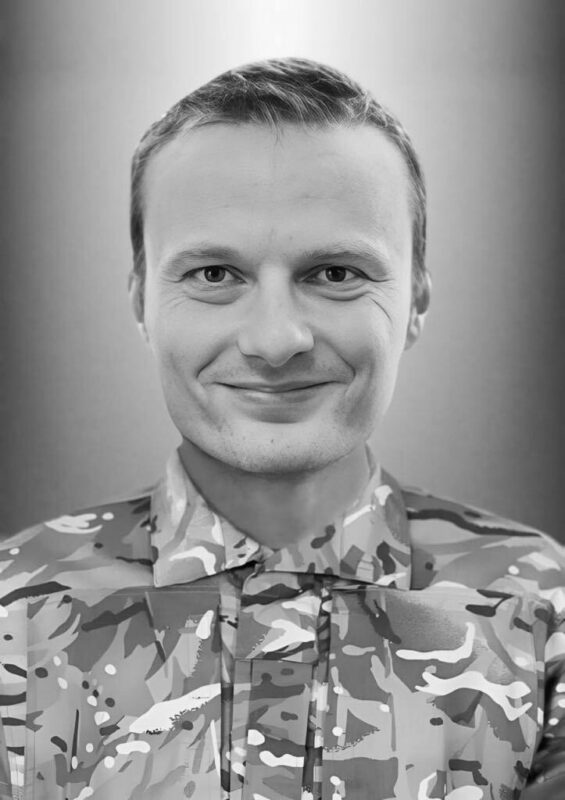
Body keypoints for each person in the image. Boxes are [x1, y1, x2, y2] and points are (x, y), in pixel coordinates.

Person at [0, 58, 563, 800]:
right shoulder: (14, 610)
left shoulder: (545, 615)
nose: (274, 341)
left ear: (417, 300)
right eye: (214, 274)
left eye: (334, 273)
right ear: (140, 300)